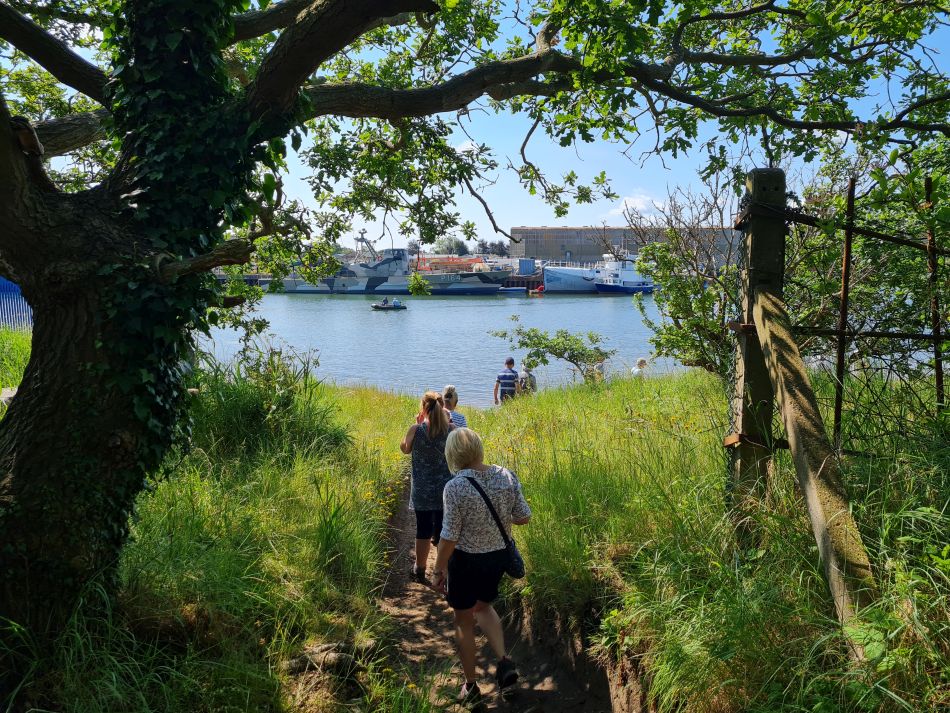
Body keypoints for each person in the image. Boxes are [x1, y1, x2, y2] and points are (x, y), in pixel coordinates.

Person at [434, 428, 531, 707]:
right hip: (497, 557)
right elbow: (523, 517)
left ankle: (471, 686)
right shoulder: (506, 475)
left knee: (464, 619)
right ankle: (504, 664)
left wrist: (438, 569)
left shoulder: (455, 487)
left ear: (453, 454)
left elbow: (449, 536)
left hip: (465, 562)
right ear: (479, 447)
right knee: (484, 606)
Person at [400, 391, 455, 583]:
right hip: (445, 489)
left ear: (424, 409)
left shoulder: (416, 429)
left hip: (422, 489)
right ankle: (442, 572)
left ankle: (420, 568)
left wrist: (418, 422)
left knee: (422, 529)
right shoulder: (451, 430)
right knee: (443, 530)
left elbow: (405, 448)